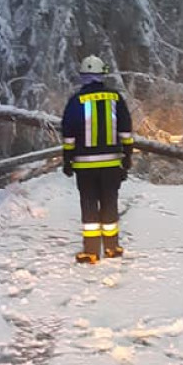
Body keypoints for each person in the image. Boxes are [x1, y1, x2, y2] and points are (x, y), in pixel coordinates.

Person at [60, 55, 134, 264]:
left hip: (85, 166)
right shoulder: (115, 98)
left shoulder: (76, 101)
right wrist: (127, 156)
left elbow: (68, 133)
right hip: (111, 164)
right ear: (103, 75)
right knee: (110, 203)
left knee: (89, 204)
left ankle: (91, 252)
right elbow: (126, 129)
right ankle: (112, 247)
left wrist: (68, 159)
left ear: (83, 76)